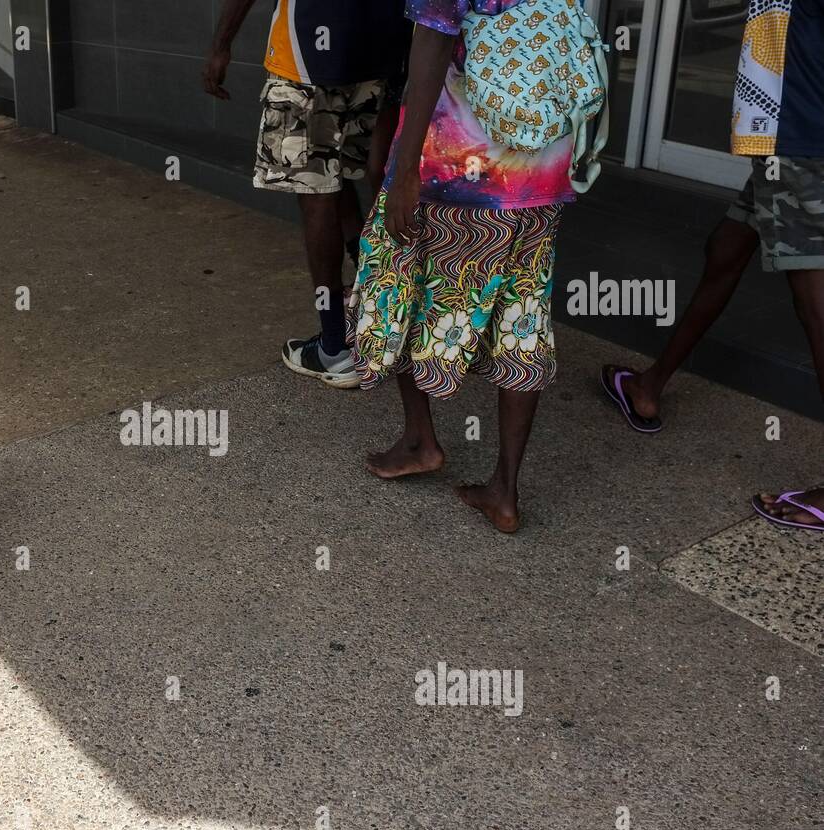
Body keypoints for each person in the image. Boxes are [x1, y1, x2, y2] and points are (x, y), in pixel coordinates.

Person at [347, 0, 584, 532]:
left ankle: (418, 439)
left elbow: (430, 44)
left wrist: (403, 168)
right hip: (538, 168)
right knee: (523, 315)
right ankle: (505, 489)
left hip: (455, 168)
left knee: (401, 284)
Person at [601, 0, 824, 531]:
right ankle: (648, 387)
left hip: (799, 140)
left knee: (814, 304)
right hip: (786, 138)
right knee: (726, 249)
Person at [203, 0, 411, 388]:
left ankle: (334, 347)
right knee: (335, 175)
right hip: (378, 55)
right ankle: (368, 308)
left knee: (315, 188)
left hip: (305, 62)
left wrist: (220, 45)